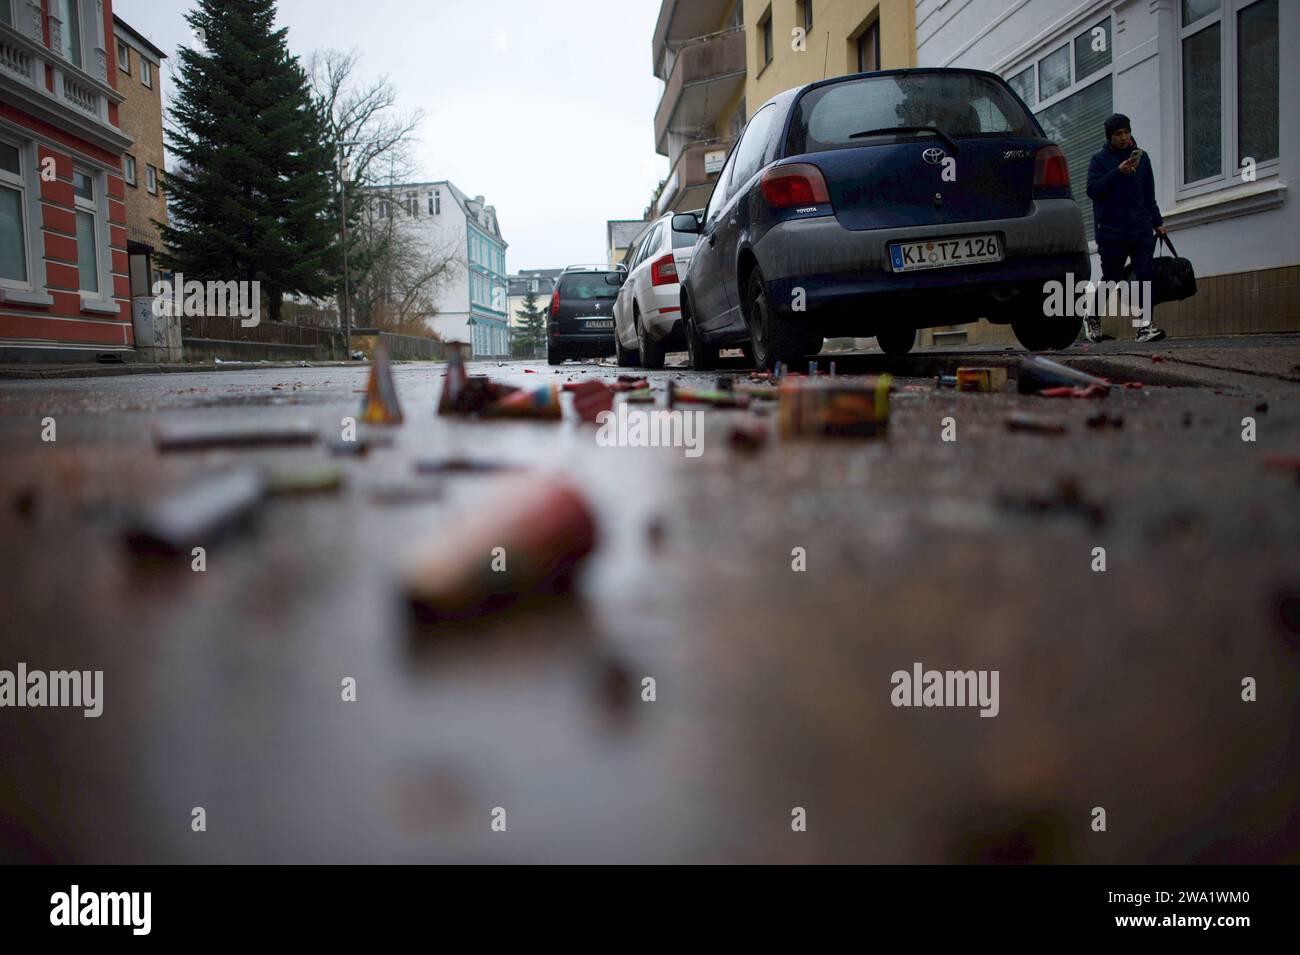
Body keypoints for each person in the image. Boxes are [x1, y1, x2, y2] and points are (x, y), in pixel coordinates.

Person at [1085, 113, 1168, 343]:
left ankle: (1145, 325)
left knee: (1145, 275)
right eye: (1118, 134)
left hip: (1140, 229)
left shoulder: (1143, 159)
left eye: (1126, 132)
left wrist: (1158, 222)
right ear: (1110, 137)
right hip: (1112, 232)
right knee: (1111, 277)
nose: (1123, 138)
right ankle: (1092, 316)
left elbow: (1148, 194)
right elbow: (1093, 190)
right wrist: (1117, 173)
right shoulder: (1099, 160)